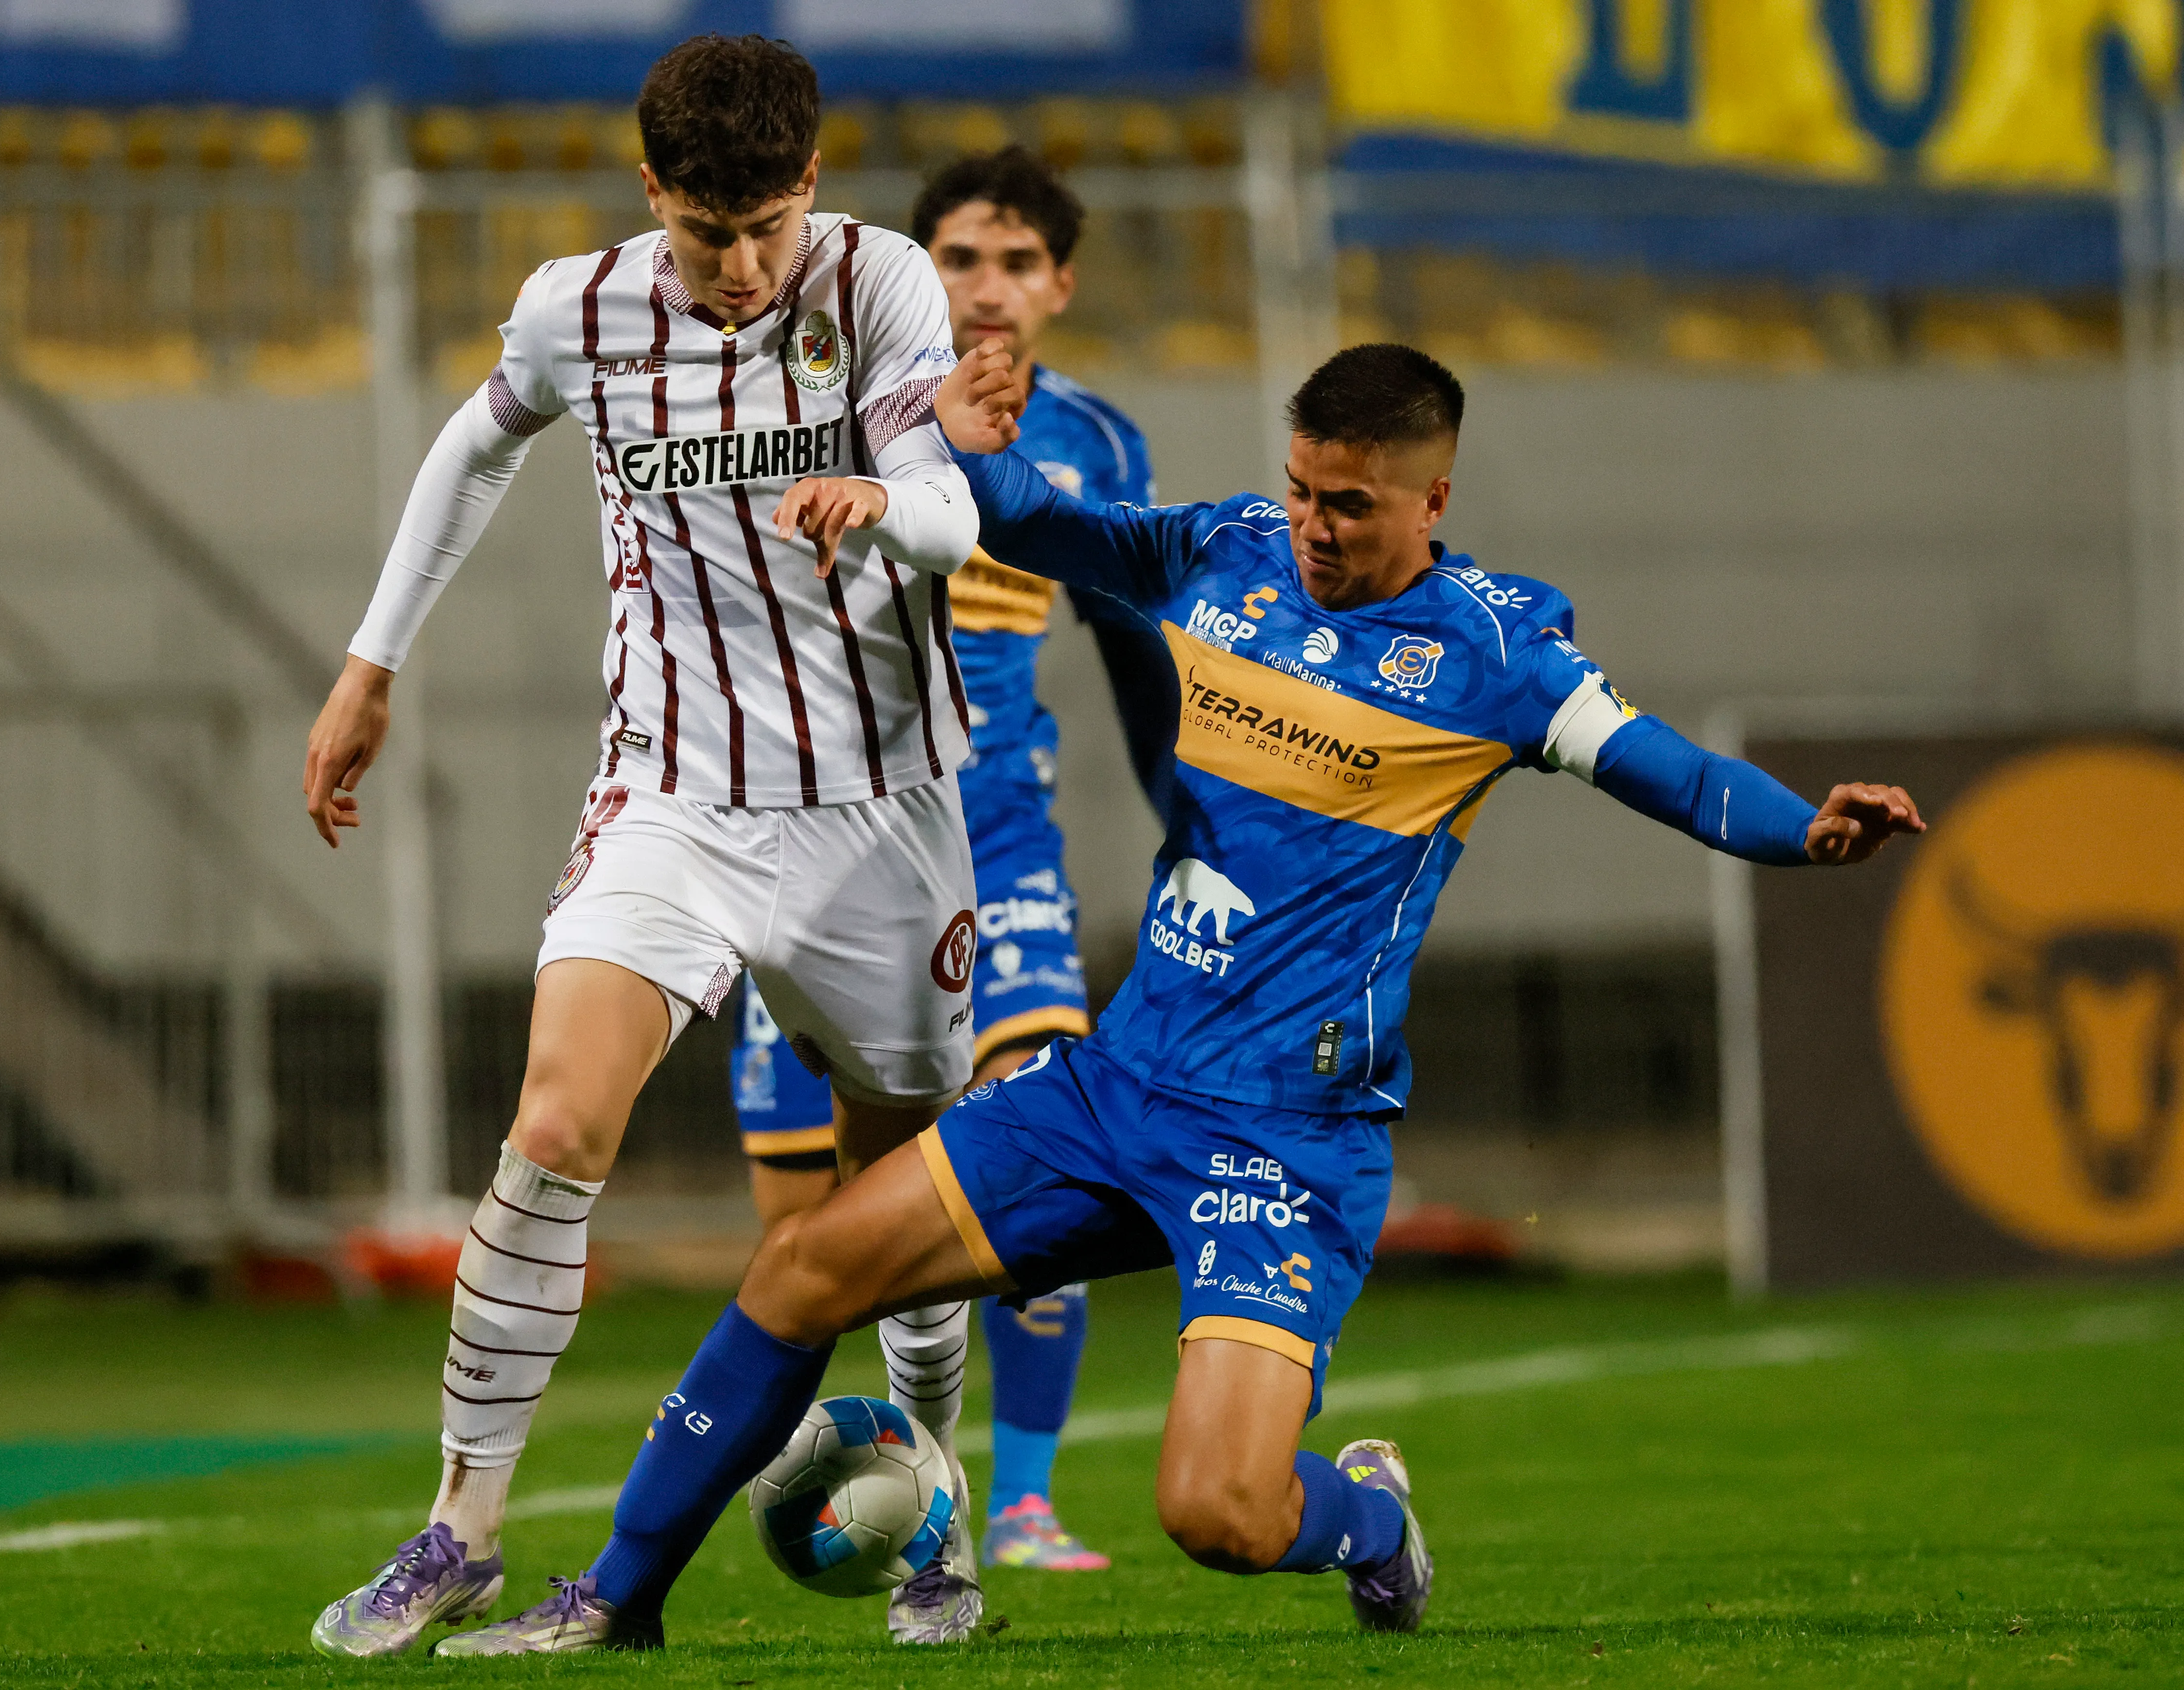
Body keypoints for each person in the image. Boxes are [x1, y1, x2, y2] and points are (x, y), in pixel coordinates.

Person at [435, 341, 1925, 1654]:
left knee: (1216, 1510)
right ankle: (614, 1601)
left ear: (1434, 500)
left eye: (1352, 505)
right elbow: (1046, 527)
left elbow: (1676, 773)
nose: (1315, 526)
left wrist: (1804, 826)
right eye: (1303, 489)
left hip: (1287, 1138)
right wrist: (967, 451)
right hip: (1115, 1086)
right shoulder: (1225, 552)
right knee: (800, 1269)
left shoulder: (1500, 653)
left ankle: (1372, 1518)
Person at [303, 34, 1023, 1657]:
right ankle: (460, 1527)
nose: (742, 263)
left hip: (876, 808)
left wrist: (880, 504)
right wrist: (370, 661)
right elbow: (475, 443)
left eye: (766, 224)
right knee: (555, 1120)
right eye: (708, 231)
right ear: (652, 194)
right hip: (671, 791)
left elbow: (950, 510)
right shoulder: (577, 310)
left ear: (810, 184)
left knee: (896, 1187)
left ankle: (937, 1506)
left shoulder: (879, 284)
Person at [719, 146, 1176, 1574]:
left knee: (1037, 1159)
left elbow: (1138, 651)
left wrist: (1193, 827)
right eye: (959, 259)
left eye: (1017, 261)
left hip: (1005, 850)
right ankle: (858, 1490)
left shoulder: (1096, 442)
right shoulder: (821, 400)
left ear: (1061, 285)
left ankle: (1019, 1502)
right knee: (815, 1234)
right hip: (822, 844)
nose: (987, 287)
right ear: (913, 272)